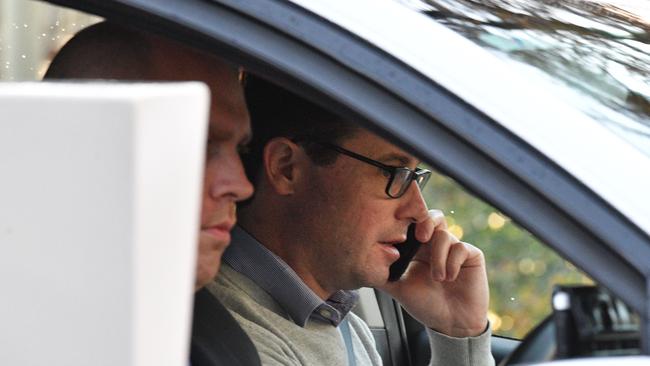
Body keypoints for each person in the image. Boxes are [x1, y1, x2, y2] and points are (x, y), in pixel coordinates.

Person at [203, 75, 495, 365]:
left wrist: (459, 333)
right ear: (286, 167)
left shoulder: (341, 321)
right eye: (392, 172)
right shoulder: (232, 341)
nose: (419, 211)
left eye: (414, 177)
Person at [45, 22, 261, 366]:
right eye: (199, 142)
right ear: (85, 144)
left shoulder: (211, 339)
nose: (241, 185)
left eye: (241, 150)